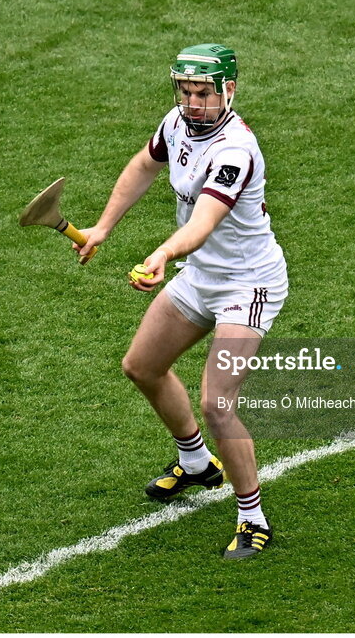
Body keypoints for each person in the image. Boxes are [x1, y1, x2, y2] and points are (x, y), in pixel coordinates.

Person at [72, 44, 288, 559]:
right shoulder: (177, 123)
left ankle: (252, 517)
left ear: (228, 91)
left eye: (203, 92)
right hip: (202, 275)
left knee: (218, 403)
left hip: (247, 285)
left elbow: (203, 222)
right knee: (142, 366)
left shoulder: (235, 151)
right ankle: (196, 464)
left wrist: (164, 253)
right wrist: (103, 226)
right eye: (186, 91)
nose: (192, 102)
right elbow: (143, 166)